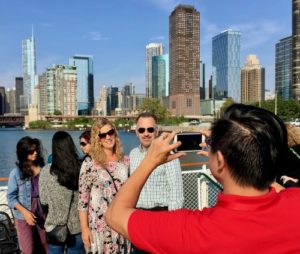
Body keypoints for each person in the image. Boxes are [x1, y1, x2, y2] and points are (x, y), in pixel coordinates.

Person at [105, 103, 300, 253]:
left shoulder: (192, 232)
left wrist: (149, 162)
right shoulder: (295, 204)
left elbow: (115, 215)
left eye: (211, 143)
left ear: (220, 159)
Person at [129, 112, 184, 253]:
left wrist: (172, 225)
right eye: (142, 130)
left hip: (161, 217)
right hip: (138, 218)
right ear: (136, 132)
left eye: (150, 129)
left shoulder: (168, 154)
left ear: (157, 130)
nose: (146, 133)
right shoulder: (133, 154)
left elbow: (176, 192)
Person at [78, 118, 129, 253]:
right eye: (103, 135)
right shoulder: (89, 163)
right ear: (98, 139)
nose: (108, 137)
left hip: (120, 222)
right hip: (99, 226)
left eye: (110, 132)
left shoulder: (125, 160)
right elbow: (83, 200)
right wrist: (84, 229)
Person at [39, 131, 84, 253]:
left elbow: (43, 200)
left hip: (54, 225)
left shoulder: (46, 171)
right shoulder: (80, 168)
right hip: (77, 226)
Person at [7, 136, 48, 254]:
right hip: (24, 214)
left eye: (36, 150)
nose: (35, 153)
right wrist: (25, 213)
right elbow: (11, 198)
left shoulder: (44, 169)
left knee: (45, 247)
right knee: (28, 250)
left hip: (43, 212)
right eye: (31, 151)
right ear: (23, 153)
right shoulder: (16, 172)